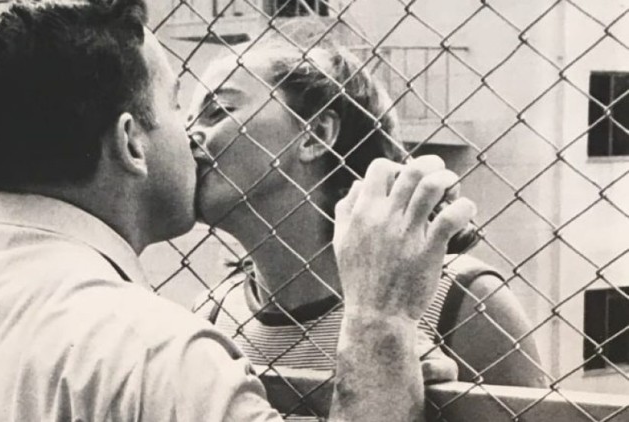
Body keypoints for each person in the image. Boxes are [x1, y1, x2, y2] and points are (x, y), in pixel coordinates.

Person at [0, 1, 476, 421]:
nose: (192, 134)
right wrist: (380, 331)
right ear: (132, 143)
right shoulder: (162, 351)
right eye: (176, 106)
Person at [188, 21, 546, 414]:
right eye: (185, 118)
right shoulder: (211, 316)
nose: (188, 136)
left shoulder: (461, 302)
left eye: (218, 111)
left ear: (315, 133)